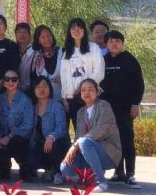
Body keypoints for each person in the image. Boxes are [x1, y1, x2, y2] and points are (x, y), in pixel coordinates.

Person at [100, 30, 144, 189]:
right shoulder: (102, 60)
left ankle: (130, 174)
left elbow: (139, 84)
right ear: (106, 44)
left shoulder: (130, 60)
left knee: (126, 139)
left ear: (122, 43)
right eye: (111, 41)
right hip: (106, 109)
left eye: (117, 41)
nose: (114, 44)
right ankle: (119, 172)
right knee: (112, 140)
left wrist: (135, 103)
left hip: (125, 108)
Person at [61, 78, 121, 193]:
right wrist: (72, 150)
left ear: (97, 92)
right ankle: (91, 174)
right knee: (65, 167)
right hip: (88, 151)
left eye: (90, 89)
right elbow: (79, 135)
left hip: (109, 152)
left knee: (84, 142)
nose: (86, 92)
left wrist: (76, 144)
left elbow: (101, 129)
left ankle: (101, 182)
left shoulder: (104, 106)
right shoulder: (81, 112)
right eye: (83, 90)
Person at [60, 18, 105, 131]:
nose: (76, 31)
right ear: (70, 32)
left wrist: (83, 87)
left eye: (79, 28)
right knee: (77, 132)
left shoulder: (93, 48)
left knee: (89, 132)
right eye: (73, 28)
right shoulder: (67, 52)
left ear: (84, 30)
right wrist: (64, 96)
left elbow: (99, 71)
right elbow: (64, 76)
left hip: (88, 97)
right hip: (71, 99)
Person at [27, 77, 70, 185]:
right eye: (38, 87)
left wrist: (51, 137)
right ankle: (48, 169)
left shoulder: (57, 105)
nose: (41, 89)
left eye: (45, 86)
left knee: (53, 146)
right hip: (39, 144)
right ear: (34, 90)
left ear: (50, 88)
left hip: (56, 143)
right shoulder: (33, 107)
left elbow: (61, 128)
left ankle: (58, 172)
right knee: (26, 172)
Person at [0, 69, 34, 180]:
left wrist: (9, 137)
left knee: (16, 142)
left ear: (18, 81)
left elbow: (28, 125)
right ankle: (4, 165)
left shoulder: (26, 100)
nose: (10, 82)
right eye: (7, 79)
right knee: (1, 175)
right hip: (1, 139)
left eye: (14, 79)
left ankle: (23, 165)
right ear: (3, 82)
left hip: (19, 139)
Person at [29, 25, 63, 100]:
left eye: (48, 35)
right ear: (38, 40)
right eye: (43, 37)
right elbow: (33, 82)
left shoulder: (63, 52)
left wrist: (64, 78)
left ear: (52, 36)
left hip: (63, 100)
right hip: (43, 102)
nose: (47, 39)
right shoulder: (36, 58)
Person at [15, 23, 34, 92]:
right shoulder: (11, 49)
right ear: (15, 35)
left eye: (25, 32)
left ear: (29, 35)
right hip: (13, 88)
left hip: (31, 89)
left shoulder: (35, 51)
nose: (22, 34)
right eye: (19, 32)